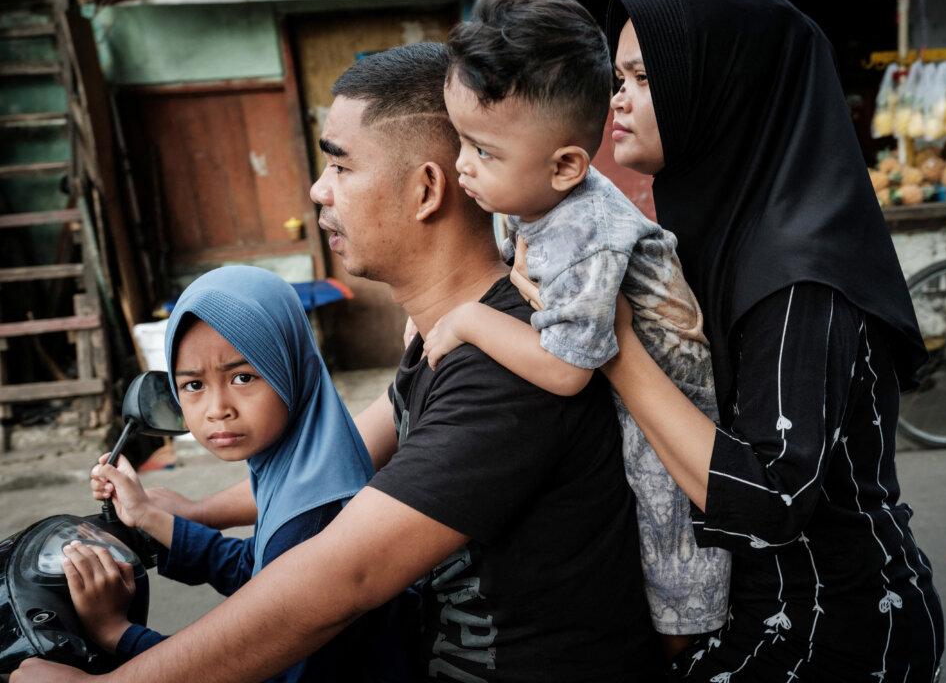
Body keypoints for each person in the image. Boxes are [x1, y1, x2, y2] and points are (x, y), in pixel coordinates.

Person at [14, 42, 661, 683]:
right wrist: (186, 511)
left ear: (426, 189)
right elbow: (344, 450)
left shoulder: (506, 368)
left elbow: (339, 577)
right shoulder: (447, 337)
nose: (320, 192)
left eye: (341, 168)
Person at [590, 0, 945, 682]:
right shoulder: (721, 232)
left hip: (830, 633)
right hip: (763, 611)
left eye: (642, 77)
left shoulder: (796, 275)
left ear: (724, 89)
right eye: (616, 77)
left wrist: (613, 344)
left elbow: (771, 495)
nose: (617, 100)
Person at [424, 0, 729, 654]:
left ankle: (692, 656)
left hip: (668, 420)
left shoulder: (591, 231)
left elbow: (565, 371)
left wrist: (467, 321)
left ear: (566, 165)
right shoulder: (535, 195)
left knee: (673, 568)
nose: (461, 166)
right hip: (617, 399)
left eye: (483, 152)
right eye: (462, 141)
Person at [63, 265, 411, 682]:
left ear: (291, 370)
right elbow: (262, 571)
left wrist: (117, 633)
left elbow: (260, 664)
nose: (217, 409)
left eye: (243, 377)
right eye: (193, 386)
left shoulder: (315, 516)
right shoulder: (301, 469)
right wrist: (152, 518)